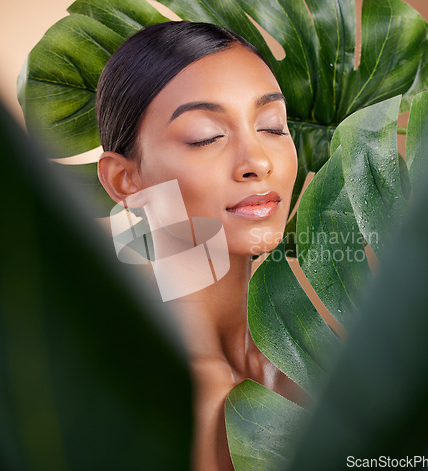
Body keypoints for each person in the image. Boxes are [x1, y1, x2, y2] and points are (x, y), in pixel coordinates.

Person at [96, 21, 300, 470]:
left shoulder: (316, 356)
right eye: (205, 136)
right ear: (125, 179)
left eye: (272, 127)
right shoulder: (155, 400)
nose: (257, 163)